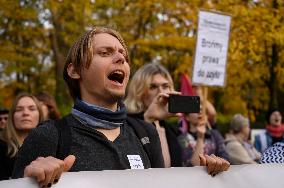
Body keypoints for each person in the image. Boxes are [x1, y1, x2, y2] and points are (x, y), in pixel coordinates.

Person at [12, 27, 229, 187]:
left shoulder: (145, 133)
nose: (120, 58)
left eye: (123, 56)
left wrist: (207, 175)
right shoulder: (48, 136)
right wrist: (27, 179)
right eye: (105, 53)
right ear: (74, 70)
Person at [124, 63, 183, 167]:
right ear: (139, 91)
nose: (161, 92)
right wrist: (148, 119)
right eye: (153, 87)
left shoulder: (172, 130)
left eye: (165, 86)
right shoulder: (124, 124)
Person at [0, 93, 43, 180]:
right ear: (12, 116)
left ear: (40, 115)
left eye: (32, 109)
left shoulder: (54, 144)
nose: (25, 113)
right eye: (19, 109)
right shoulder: (1, 147)